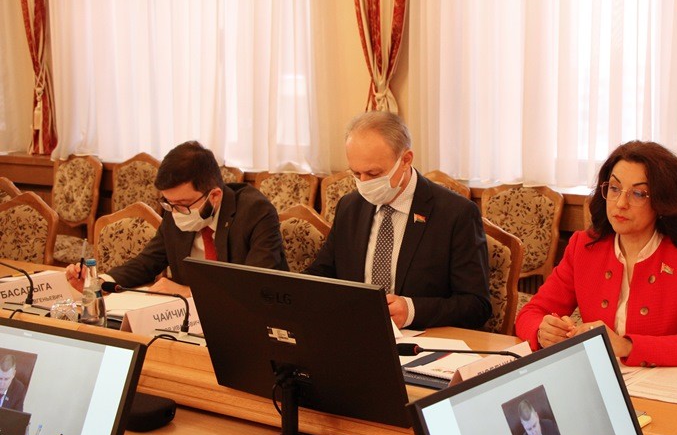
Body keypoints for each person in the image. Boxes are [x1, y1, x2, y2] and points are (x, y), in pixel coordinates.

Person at [516, 141, 677, 368]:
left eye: (638, 194)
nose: (620, 203)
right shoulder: (584, 246)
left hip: (669, 384)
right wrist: (542, 331)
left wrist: (627, 346)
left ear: (662, 201)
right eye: (614, 188)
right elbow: (530, 313)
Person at [305, 111, 491, 329]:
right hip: (356, 331)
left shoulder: (455, 213)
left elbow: (476, 305)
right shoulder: (350, 206)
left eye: (373, 174)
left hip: (422, 339)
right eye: (356, 174)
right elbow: (321, 274)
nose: (364, 183)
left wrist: (412, 310)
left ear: (405, 160)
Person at [65, 141, 289, 296]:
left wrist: (189, 293)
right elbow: (146, 263)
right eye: (169, 203)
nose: (175, 213)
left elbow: (258, 286)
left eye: (183, 204)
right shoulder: (175, 209)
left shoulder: (255, 212)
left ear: (214, 196)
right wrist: (97, 282)